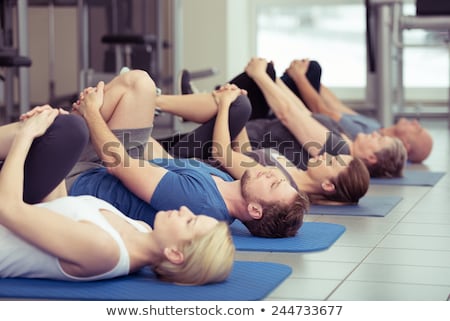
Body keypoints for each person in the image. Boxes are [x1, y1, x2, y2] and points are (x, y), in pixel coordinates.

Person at [2, 106, 234, 285]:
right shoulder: (141, 229)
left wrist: (27, 135)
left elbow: (8, 208)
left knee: (62, 130)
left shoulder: (104, 250)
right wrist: (57, 148)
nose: (185, 210)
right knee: (67, 130)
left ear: (174, 254)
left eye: (190, 221)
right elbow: (58, 207)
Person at [62, 69, 308, 238]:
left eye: (274, 184)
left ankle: (58, 133)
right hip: (113, 163)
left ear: (255, 210)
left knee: (133, 86)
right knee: (139, 85)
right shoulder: (223, 183)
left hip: (81, 178)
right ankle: (63, 127)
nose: (270, 173)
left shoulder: (200, 201)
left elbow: (117, 164)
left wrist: (92, 113)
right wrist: (134, 116)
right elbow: (162, 162)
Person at [156, 85, 370, 205]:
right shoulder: (292, 172)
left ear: (328, 185)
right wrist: (236, 122)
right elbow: (246, 153)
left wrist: (225, 108)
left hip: (186, 164)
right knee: (239, 102)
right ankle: (154, 101)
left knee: (238, 105)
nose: (325, 155)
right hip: (197, 154)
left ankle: (153, 100)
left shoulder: (279, 181)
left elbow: (221, 154)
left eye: (331, 161)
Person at [220, 57, 407, 178]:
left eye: (380, 140)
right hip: (255, 126)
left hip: (247, 135)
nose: (375, 134)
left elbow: (288, 115)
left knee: (245, 95)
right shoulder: (345, 141)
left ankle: (205, 99)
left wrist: (259, 74)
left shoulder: (338, 151)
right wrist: (274, 78)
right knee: (266, 74)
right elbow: (302, 111)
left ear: (371, 157)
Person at [282, 58, 433, 164]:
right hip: (300, 105)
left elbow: (321, 111)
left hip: (296, 112)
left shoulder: (362, 136)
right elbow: (336, 105)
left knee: (313, 68)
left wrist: (299, 77)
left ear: (405, 145)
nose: (415, 122)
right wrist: (311, 81)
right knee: (312, 69)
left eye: (417, 129)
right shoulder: (375, 127)